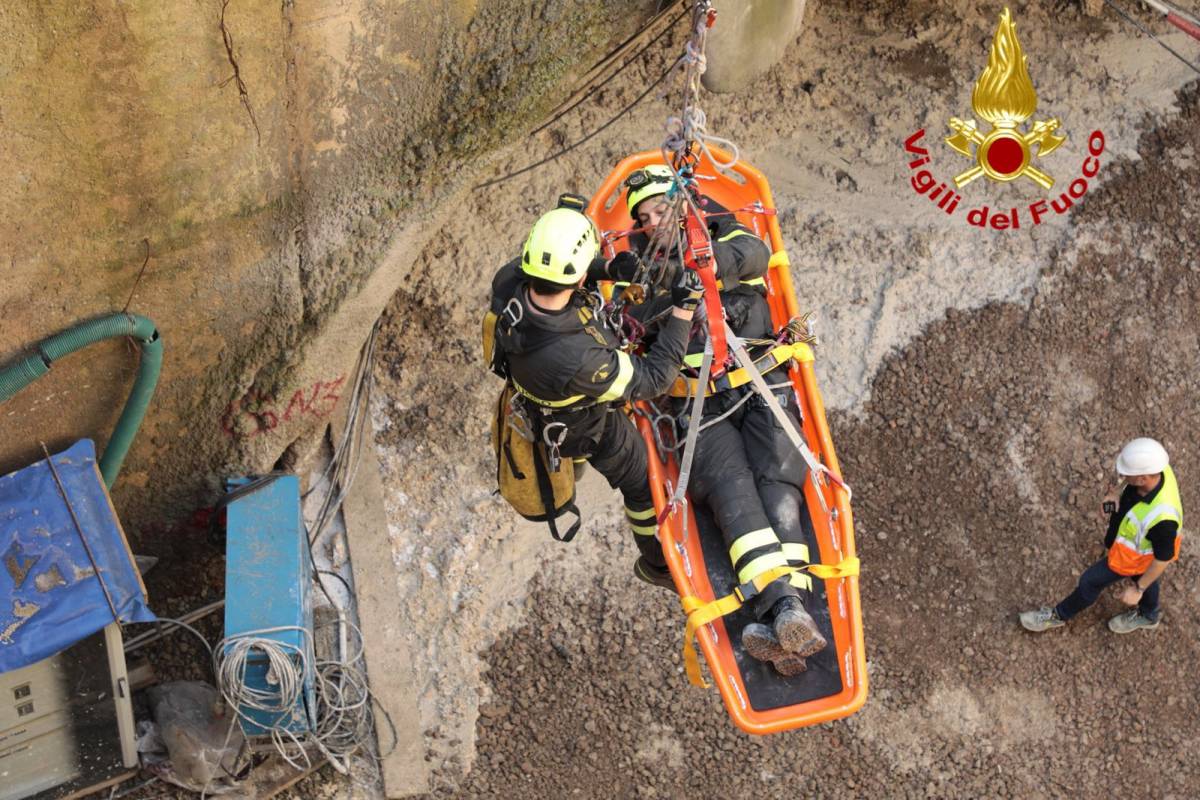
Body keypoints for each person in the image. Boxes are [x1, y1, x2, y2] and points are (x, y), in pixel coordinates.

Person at [620, 165, 826, 675]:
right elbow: (640, 324)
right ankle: (784, 609)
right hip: (696, 407)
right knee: (732, 491)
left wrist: (697, 267)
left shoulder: (723, 233)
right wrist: (674, 287)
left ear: (685, 204)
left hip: (760, 386)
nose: (653, 221)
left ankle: (783, 612)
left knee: (779, 482)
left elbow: (753, 254)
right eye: (643, 217)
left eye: (660, 209)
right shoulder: (640, 274)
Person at [486, 197, 704, 581]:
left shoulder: (510, 281)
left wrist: (606, 268)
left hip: (543, 394)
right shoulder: (579, 357)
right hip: (586, 426)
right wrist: (684, 311)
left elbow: (556, 275)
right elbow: (655, 379)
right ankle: (656, 564)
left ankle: (579, 467)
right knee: (642, 485)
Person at [1020, 438, 1183, 634]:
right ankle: (1149, 615)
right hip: (1136, 550)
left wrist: (1137, 589)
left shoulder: (1163, 520)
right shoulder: (1159, 468)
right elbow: (1134, 480)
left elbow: (1162, 559)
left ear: (1142, 479)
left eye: (1127, 474)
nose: (1123, 475)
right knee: (1146, 577)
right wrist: (1117, 492)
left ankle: (1058, 615)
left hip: (1133, 558)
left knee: (1090, 581)